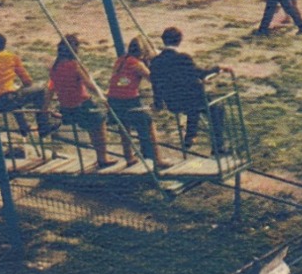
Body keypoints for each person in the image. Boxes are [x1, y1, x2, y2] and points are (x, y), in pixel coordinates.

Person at [149, 27, 231, 156]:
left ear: (163, 40)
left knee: (193, 100)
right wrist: (218, 68)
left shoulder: (155, 62)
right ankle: (218, 146)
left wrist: (158, 103)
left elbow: (155, 83)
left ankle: (190, 136)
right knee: (216, 107)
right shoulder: (183, 58)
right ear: (179, 40)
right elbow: (201, 73)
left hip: (172, 102)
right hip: (191, 101)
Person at [48, 36, 112, 170]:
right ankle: (103, 158)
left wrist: (45, 107)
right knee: (99, 121)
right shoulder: (74, 65)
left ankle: (100, 155)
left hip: (66, 107)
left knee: (92, 124)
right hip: (81, 105)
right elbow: (89, 84)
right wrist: (103, 95)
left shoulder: (55, 67)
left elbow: (51, 88)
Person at [106, 38, 169, 167]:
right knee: (148, 122)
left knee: (124, 126)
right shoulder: (137, 64)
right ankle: (157, 159)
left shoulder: (121, 60)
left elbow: (122, 80)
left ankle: (128, 156)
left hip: (113, 99)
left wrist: (131, 85)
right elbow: (153, 79)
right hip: (127, 101)